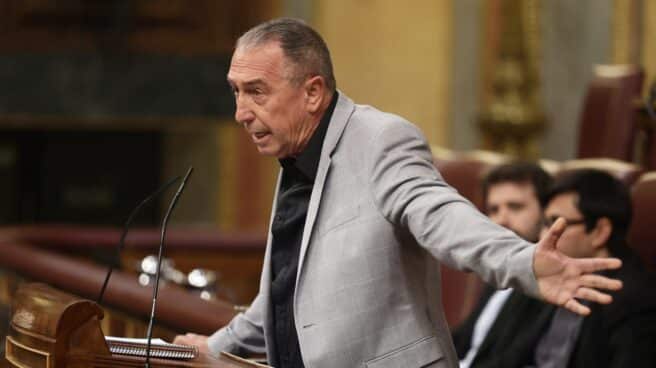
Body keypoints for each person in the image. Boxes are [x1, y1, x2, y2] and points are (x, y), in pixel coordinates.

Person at [174, 18, 622, 368]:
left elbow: (442, 216)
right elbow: (287, 297)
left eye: (256, 92)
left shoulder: (381, 140)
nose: (240, 113)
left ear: (312, 93)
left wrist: (521, 262)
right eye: (236, 92)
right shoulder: (296, 154)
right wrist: (214, 348)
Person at [529, 169, 656, 367]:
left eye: (556, 224)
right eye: (545, 224)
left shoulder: (637, 300)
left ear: (600, 231)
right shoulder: (548, 276)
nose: (543, 238)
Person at [452, 163, 557, 368]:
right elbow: (465, 340)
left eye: (515, 207)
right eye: (494, 209)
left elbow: (515, 359)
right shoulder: (501, 264)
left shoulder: (550, 278)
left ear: (546, 212)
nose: (502, 220)